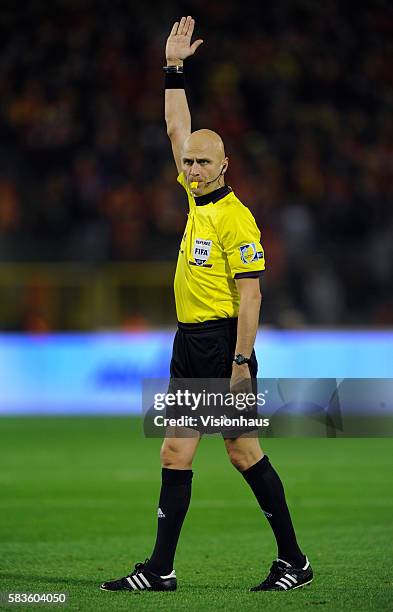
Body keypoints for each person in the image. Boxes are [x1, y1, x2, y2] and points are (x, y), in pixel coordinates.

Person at [101, 16, 313, 594]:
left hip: (221, 343)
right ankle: (161, 570)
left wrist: (242, 364)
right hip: (189, 340)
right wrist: (172, 69)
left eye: (202, 163)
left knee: (243, 453)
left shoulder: (235, 217)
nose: (191, 169)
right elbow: (177, 125)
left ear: (224, 166)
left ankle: (293, 561)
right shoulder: (197, 202)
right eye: (187, 163)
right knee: (177, 450)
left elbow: (252, 294)